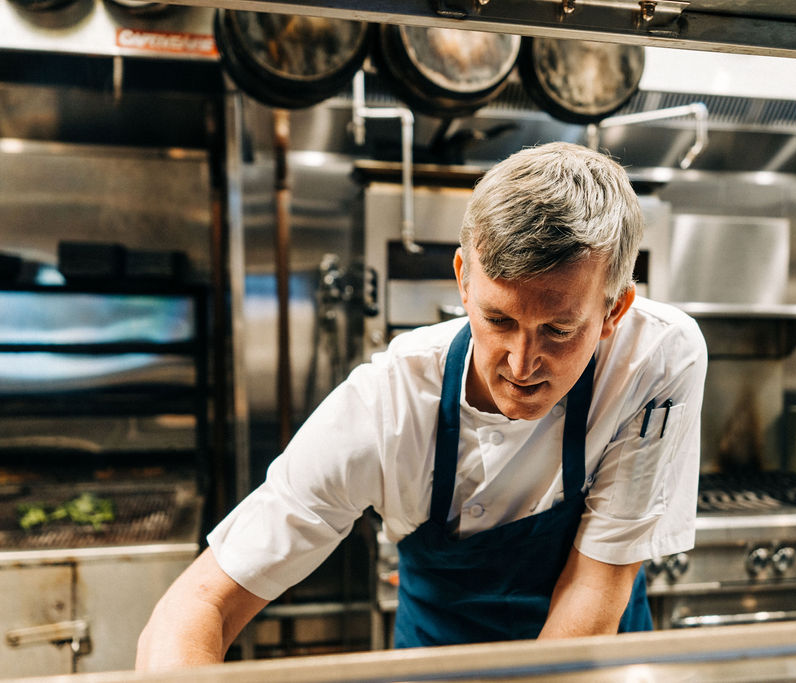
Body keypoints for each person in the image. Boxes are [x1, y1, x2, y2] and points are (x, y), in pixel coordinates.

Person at [136, 141, 706, 669]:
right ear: (463, 280)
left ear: (613, 310)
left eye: (558, 329)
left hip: (586, 670)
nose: (521, 362)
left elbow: (598, 585)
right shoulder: (389, 405)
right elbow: (200, 604)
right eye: (498, 319)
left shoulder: (655, 359)